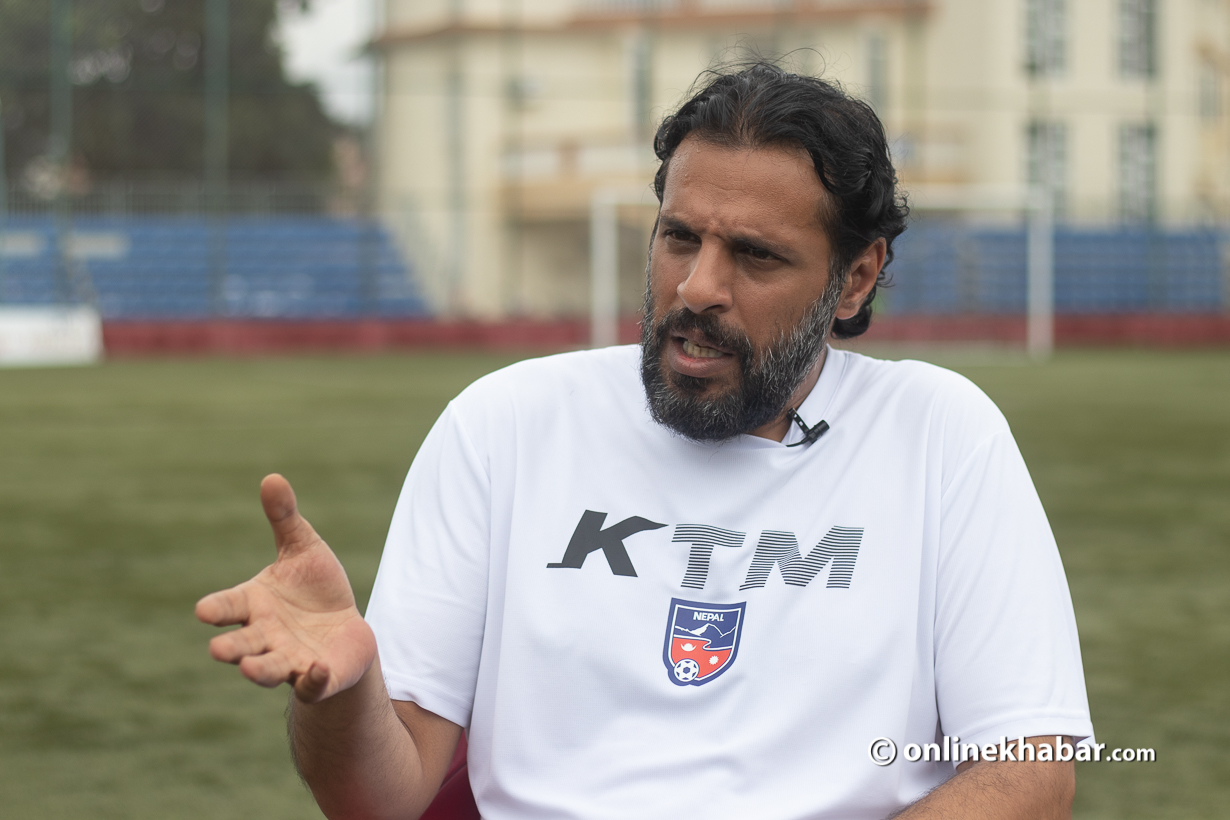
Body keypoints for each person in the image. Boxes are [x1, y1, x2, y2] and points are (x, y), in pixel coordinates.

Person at [197, 63, 1093, 820]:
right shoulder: (508, 423)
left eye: (755, 255)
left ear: (856, 279)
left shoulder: (941, 436)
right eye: (678, 238)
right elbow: (377, 797)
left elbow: (1029, 769)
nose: (697, 287)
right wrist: (343, 691)